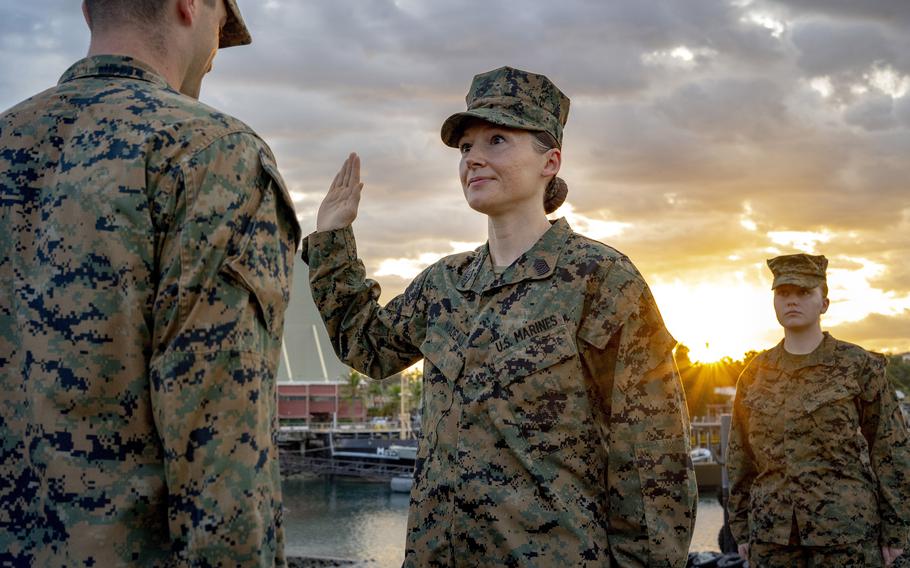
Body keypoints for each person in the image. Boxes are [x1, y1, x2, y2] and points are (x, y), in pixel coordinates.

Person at [305, 66, 697, 566]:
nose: (474, 159)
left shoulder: (601, 280)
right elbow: (366, 347)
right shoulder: (444, 283)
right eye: (466, 147)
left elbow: (653, 461)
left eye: (497, 140)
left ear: (549, 161)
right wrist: (333, 239)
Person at [0, 1, 300, 565]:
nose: (213, 57)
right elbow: (223, 460)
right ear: (192, 5)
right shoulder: (210, 154)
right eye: (220, 29)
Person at [726, 254, 910, 567]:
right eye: (783, 294)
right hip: (773, 536)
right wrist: (741, 528)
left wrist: (897, 531)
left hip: (846, 534)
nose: (792, 301)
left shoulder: (858, 366)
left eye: (804, 292)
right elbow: (739, 456)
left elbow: (890, 449)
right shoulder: (756, 372)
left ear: (824, 303)